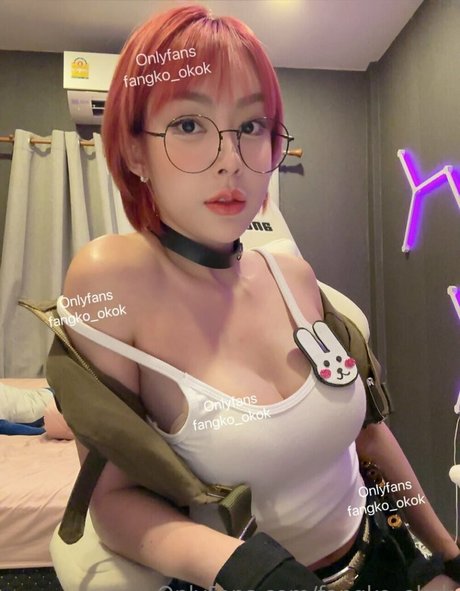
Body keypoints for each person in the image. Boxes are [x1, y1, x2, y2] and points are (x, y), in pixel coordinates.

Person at [60, 5, 460, 590]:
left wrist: (444, 552)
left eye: (251, 127)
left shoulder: (293, 277)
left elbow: (368, 438)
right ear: (135, 150)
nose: (232, 161)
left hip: (381, 555)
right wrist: (256, 572)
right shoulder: (108, 279)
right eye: (189, 125)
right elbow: (111, 503)